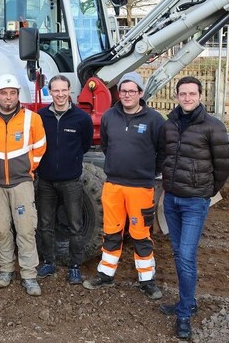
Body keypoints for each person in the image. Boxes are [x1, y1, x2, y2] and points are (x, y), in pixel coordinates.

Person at [159, 76, 229, 340]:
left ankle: (184, 316)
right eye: (183, 94)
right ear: (176, 96)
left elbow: (224, 165)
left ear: (201, 96)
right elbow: (164, 155)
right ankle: (186, 302)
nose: (187, 98)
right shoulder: (170, 124)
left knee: (187, 257)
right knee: (179, 253)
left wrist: (207, 192)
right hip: (171, 200)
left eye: (192, 94)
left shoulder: (213, 127)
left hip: (194, 202)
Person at [83, 71, 166, 300]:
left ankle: (147, 280)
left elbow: (163, 150)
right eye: (123, 91)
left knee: (141, 235)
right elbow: (107, 146)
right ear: (118, 94)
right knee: (111, 232)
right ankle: (106, 274)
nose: (127, 95)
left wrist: (150, 172)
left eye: (132, 91)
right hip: (113, 186)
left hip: (140, 188)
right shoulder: (109, 116)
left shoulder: (155, 120)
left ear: (140, 93)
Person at [0, 74, 46, 296]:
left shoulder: (31, 119)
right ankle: (6, 270)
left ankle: (29, 274)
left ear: (17, 95)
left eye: (12, 93)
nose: (8, 97)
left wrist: (27, 169)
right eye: (4, 93)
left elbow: (40, 146)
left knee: (25, 229)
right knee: (1, 229)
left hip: (21, 183)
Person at [35, 75, 93, 285]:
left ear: (70, 92)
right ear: (50, 92)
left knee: (75, 225)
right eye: (55, 91)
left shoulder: (81, 118)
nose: (60, 95)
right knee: (45, 223)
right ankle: (48, 261)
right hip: (46, 180)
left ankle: (74, 266)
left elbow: (85, 144)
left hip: (71, 181)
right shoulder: (40, 116)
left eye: (63, 90)